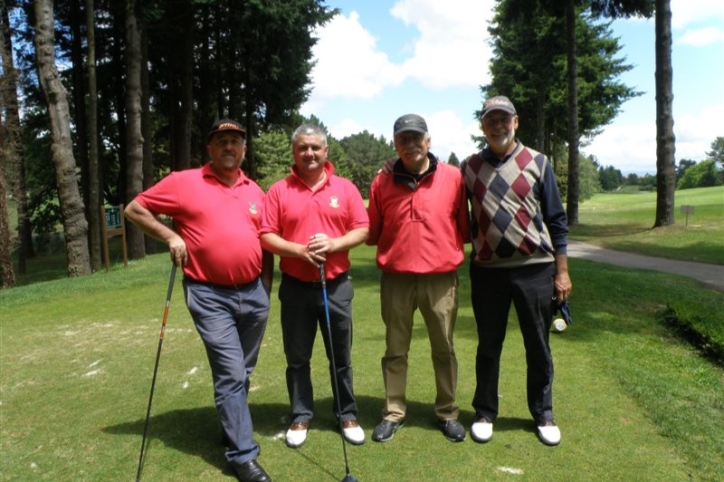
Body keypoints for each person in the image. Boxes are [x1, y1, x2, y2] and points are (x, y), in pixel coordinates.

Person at [125, 119, 273, 482]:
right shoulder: (184, 182)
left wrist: (265, 289)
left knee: (242, 370)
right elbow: (134, 209)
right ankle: (242, 454)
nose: (228, 147)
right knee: (232, 371)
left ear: (244, 149)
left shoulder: (256, 191)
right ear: (210, 149)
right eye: (221, 141)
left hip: (254, 293)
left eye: (235, 142)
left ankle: (231, 423)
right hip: (209, 294)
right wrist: (169, 237)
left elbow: (266, 241)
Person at [461, 96, 573, 446]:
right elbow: (433, 175)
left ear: (516, 122)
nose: (497, 125)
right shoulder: (469, 166)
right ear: (482, 126)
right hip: (488, 272)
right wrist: (392, 166)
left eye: (503, 119)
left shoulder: (538, 162)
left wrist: (562, 271)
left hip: (535, 270)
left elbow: (556, 219)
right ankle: (484, 411)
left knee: (538, 345)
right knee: (489, 345)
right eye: (490, 120)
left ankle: (543, 413)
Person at [260, 123, 369, 449]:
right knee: (297, 358)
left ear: (326, 151)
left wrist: (332, 245)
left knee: (340, 357)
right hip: (295, 287)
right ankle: (301, 414)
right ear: (294, 152)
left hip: (335, 286)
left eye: (315, 148)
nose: (309, 153)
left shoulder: (346, 189)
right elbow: (266, 235)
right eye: (302, 148)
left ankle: (346, 413)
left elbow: (362, 229)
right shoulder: (279, 190)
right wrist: (299, 251)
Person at [366, 114, 470, 443]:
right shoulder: (381, 182)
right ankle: (394, 412)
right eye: (403, 139)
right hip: (396, 278)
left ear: (428, 140)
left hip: (441, 279)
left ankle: (448, 411)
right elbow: (374, 232)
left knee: (444, 347)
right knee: (395, 349)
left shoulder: (453, 178)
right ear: (395, 144)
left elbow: (462, 228)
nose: (410, 144)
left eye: (416, 137)